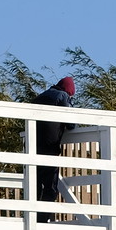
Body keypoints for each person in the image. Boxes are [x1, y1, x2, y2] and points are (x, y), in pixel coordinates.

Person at [25, 76, 76, 221]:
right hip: (50, 147)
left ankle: (31, 219)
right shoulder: (63, 96)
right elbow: (70, 124)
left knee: (35, 186)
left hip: (34, 148)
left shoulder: (40, 97)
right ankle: (42, 221)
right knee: (50, 189)